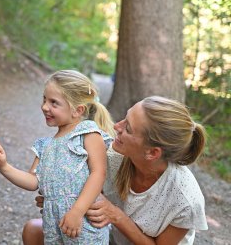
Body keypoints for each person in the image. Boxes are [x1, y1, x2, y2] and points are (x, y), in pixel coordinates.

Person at [22, 96, 208, 245]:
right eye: (124, 118)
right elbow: (85, 190)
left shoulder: (185, 201)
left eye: (127, 128)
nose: (116, 127)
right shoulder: (111, 157)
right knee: (33, 231)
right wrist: (61, 197)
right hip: (107, 237)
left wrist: (117, 216)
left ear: (152, 152)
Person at [0, 70, 115, 244]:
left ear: (77, 110)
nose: (44, 107)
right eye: (44, 99)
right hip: (53, 224)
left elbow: (98, 174)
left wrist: (77, 211)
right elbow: (33, 181)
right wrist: (4, 166)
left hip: (84, 223)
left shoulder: (88, 134)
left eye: (53, 103)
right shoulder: (45, 145)